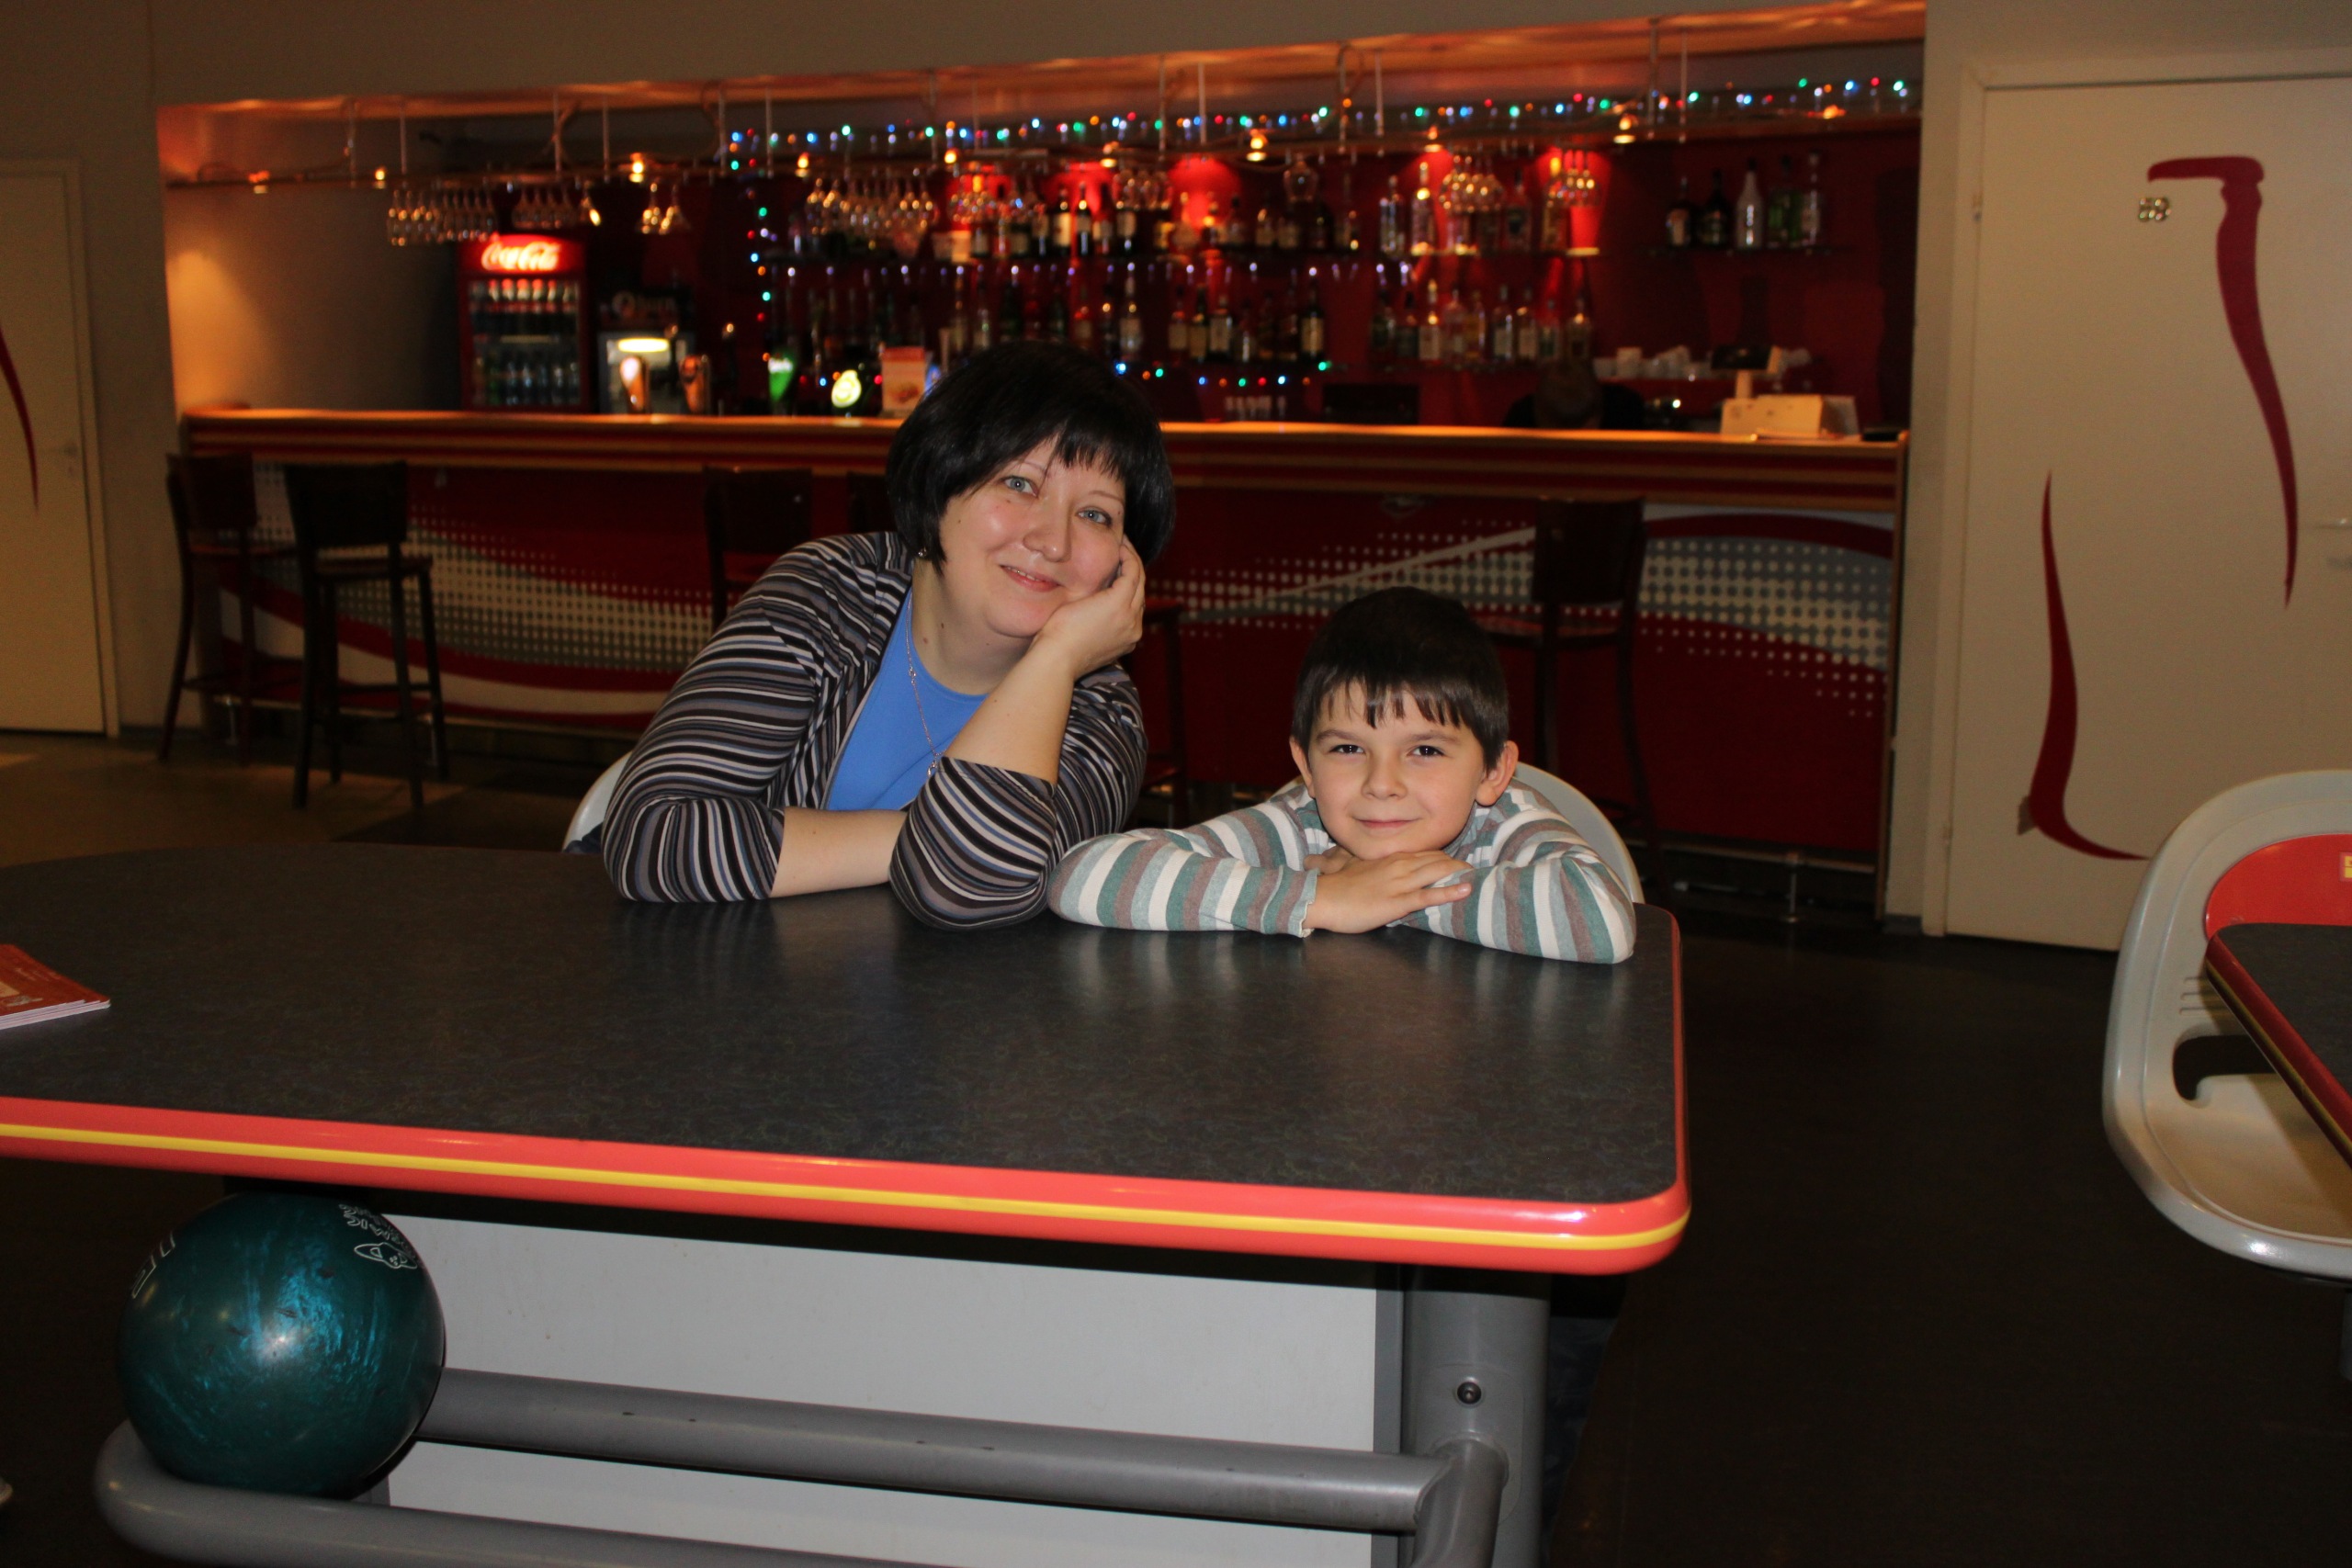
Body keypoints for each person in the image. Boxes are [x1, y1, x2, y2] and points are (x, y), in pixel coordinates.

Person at [601, 341, 1173, 925]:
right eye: (1020, 484)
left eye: (1095, 515)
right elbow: (651, 835)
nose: (1054, 541)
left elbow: (971, 886)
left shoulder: (1101, 716)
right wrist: (925, 839)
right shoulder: (831, 595)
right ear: (941, 481)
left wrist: (1054, 660)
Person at [1047, 586, 1634, 963]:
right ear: (1305, 766)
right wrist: (1325, 897)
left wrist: (1382, 895)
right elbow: (1082, 877)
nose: (1382, 783)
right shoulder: (1303, 824)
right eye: (1349, 748)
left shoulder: (1504, 820)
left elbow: (1600, 919)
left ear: (1492, 771)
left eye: (1425, 751)